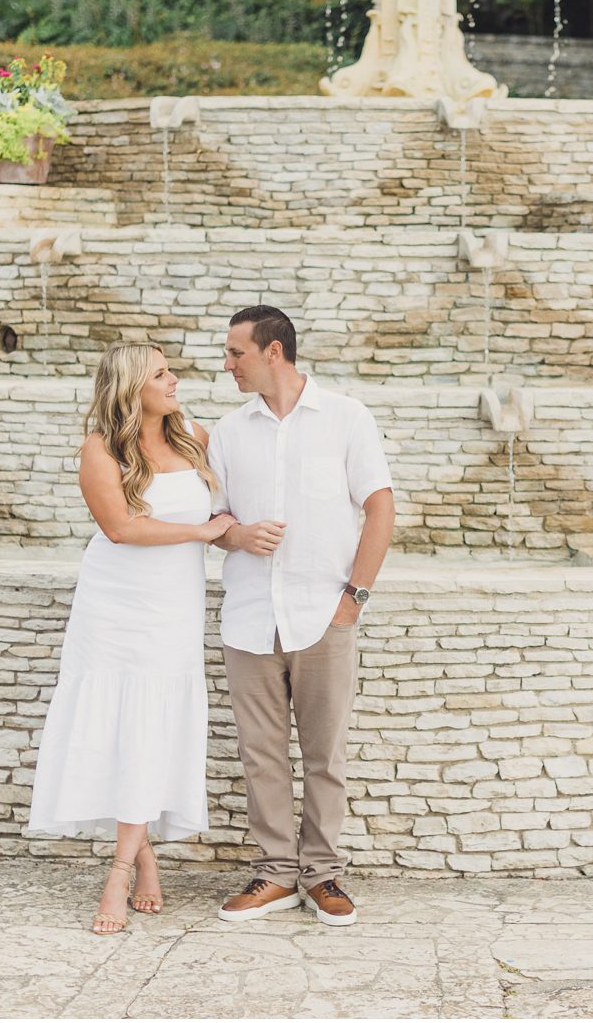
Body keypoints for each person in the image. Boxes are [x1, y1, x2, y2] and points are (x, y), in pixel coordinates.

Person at [25, 342, 236, 935]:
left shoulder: (195, 434)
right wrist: (204, 530)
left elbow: (244, 490)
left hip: (173, 606)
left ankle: (135, 857)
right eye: (161, 373)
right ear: (131, 387)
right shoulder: (100, 448)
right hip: (114, 606)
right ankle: (125, 867)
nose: (175, 380)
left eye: (171, 370)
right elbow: (119, 528)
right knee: (121, 725)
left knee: (152, 726)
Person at [207, 306, 395, 927]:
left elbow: (380, 509)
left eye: (236, 353)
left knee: (324, 754)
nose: (227, 364)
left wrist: (352, 601)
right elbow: (215, 519)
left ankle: (323, 873)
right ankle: (275, 873)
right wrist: (235, 537)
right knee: (261, 755)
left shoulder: (346, 418)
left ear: (274, 353)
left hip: (324, 616)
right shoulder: (229, 432)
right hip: (251, 617)